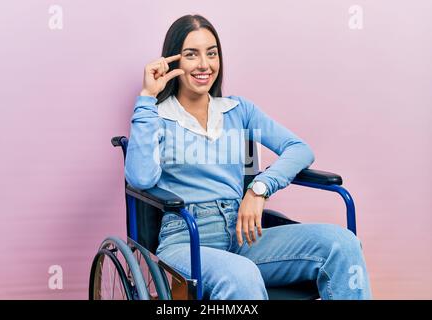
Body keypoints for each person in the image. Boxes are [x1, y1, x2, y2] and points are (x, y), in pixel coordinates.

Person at [125, 14, 372, 300]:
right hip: (186, 238)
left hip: (242, 233)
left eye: (212, 53)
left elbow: (299, 149)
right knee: (242, 274)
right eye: (191, 55)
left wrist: (259, 189)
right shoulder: (157, 116)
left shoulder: (238, 110)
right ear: (173, 61)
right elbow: (140, 177)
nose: (204, 65)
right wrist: (146, 97)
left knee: (342, 243)